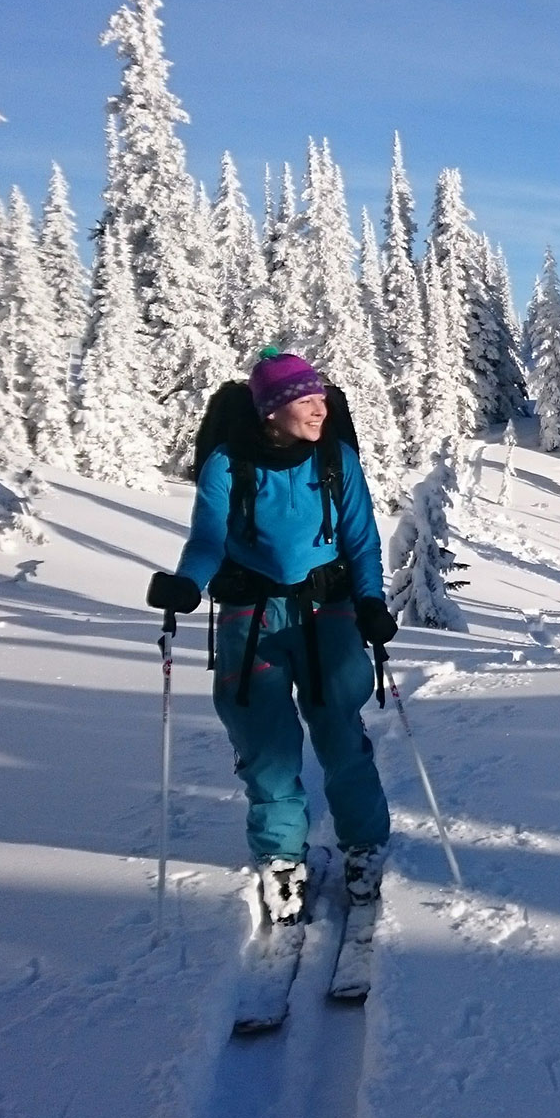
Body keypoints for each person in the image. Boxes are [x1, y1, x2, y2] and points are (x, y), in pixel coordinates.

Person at [145, 350, 399, 926]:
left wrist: (370, 602)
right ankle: (281, 858)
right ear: (272, 410)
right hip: (250, 615)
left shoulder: (337, 459)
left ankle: (363, 847)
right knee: (264, 745)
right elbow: (208, 538)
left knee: (339, 730)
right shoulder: (228, 465)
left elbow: (361, 541)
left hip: (328, 611)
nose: (321, 407)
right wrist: (187, 585)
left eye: (322, 397)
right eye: (307, 400)